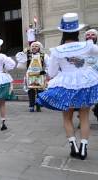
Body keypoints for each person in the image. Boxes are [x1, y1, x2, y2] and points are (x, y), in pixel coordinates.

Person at [37, 13, 98, 160]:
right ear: (78, 31)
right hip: (86, 82)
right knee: (84, 117)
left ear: (63, 31)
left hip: (65, 84)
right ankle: (83, 148)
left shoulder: (57, 51)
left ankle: (73, 146)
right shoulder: (88, 45)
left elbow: (51, 72)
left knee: (67, 117)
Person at [16, 42, 49, 112]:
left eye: (36, 46)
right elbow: (19, 58)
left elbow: (49, 65)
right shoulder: (27, 55)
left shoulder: (44, 55)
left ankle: (38, 105)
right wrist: (23, 52)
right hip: (30, 76)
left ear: (39, 47)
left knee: (40, 91)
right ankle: (31, 105)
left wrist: (45, 71)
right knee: (31, 91)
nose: (34, 47)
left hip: (40, 75)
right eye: (33, 46)